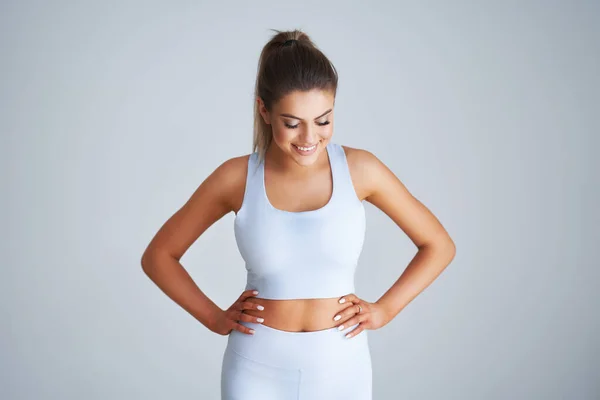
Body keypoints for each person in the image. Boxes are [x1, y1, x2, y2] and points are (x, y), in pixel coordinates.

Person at [141, 28, 456, 400]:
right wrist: (213, 317)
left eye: (323, 120)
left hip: (342, 368)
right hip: (255, 368)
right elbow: (158, 256)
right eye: (292, 123)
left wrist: (385, 309)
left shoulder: (361, 170)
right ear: (265, 110)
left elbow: (438, 244)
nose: (309, 138)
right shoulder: (236, 178)